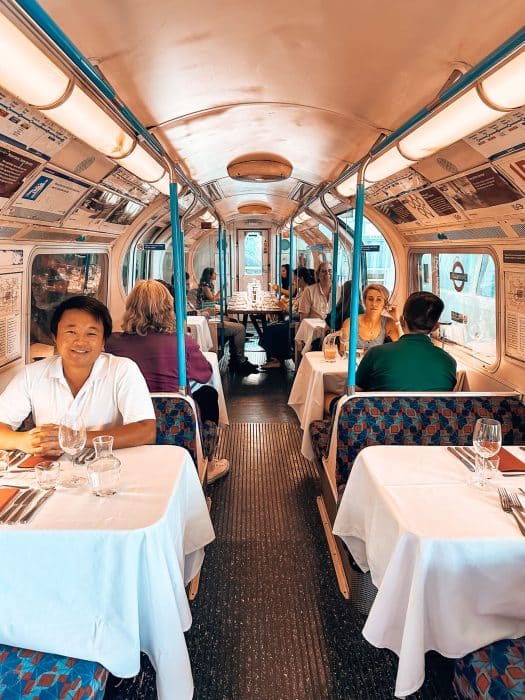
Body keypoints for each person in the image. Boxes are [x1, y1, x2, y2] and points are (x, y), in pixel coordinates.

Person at [105, 280, 229, 483]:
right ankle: (208, 459)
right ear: (168, 309)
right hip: (173, 418)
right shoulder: (181, 341)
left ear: (130, 308)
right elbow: (205, 375)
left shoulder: (112, 342)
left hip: (127, 416)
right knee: (208, 395)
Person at [0, 296, 156, 456]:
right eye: (71, 332)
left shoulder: (122, 370)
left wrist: (76, 439)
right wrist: (22, 440)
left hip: (105, 468)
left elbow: (146, 430)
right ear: (55, 337)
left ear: (103, 342)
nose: (80, 341)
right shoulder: (31, 374)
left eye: (91, 334)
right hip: (53, 472)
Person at [355, 291, 457, 391]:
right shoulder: (449, 362)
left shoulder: (376, 354)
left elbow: (356, 390)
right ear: (436, 327)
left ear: (402, 321)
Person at [195, 268, 259, 375]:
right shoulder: (205, 286)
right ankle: (239, 360)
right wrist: (222, 290)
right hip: (208, 313)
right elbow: (213, 299)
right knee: (240, 327)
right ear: (210, 275)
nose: (216, 274)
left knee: (234, 321)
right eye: (214, 273)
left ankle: (234, 357)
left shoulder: (209, 284)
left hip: (209, 312)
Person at [260, 267, 315, 369]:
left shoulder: (307, 292)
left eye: (295, 278)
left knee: (270, 330)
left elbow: (300, 315)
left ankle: (278, 360)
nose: (293, 281)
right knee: (272, 327)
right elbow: (296, 304)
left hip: (298, 326)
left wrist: (285, 308)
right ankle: (276, 358)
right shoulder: (301, 290)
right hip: (294, 321)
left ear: (301, 279)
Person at [340, 283, 400, 351]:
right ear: (365, 302)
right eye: (370, 299)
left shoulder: (388, 323)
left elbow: (401, 347)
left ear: (385, 303)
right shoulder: (350, 322)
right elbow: (342, 352)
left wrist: (397, 320)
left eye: (379, 300)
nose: (374, 304)